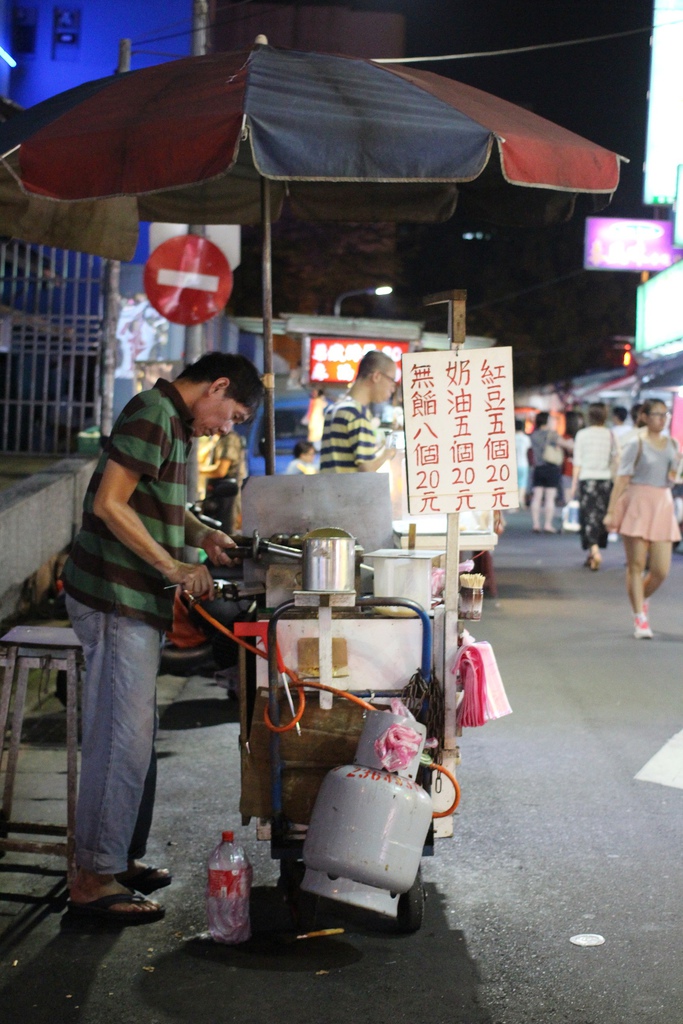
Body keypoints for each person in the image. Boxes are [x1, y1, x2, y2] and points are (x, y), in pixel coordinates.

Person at [62, 352, 264, 922]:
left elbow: (161, 508)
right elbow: (109, 503)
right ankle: (92, 880)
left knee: (133, 737)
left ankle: (115, 859)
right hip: (111, 594)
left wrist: (205, 534)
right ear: (217, 386)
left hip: (132, 599)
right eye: (233, 414)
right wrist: (175, 568)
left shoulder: (173, 424)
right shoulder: (153, 413)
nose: (226, 427)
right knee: (119, 737)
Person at [603, 398, 681, 639]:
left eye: (665, 414)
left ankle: (642, 597)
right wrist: (611, 510)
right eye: (657, 414)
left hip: (662, 504)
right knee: (636, 565)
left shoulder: (672, 444)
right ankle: (640, 617)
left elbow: (672, 476)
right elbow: (622, 479)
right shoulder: (635, 443)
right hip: (637, 502)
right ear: (644, 417)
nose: (662, 418)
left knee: (660, 570)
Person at [320, 350, 398, 473]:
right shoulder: (358, 414)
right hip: (349, 491)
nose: (393, 389)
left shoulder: (334, 409)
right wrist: (388, 453)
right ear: (376, 376)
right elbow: (367, 469)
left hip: (330, 489)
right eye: (391, 380)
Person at [569, 403, 614, 570]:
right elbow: (616, 458)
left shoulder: (582, 434)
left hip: (587, 480)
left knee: (588, 516)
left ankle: (594, 551)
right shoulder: (610, 434)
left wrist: (573, 485)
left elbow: (578, 461)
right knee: (601, 517)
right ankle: (591, 553)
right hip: (606, 481)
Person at [529, 412, 570, 533]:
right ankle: (547, 524)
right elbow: (566, 444)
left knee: (536, 496)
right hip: (551, 468)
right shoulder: (552, 434)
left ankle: (536, 524)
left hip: (538, 468)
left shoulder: (533, 435)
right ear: (547, 421)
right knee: (549, 498)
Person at [199, 429, 247, 532]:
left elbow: (221, 471)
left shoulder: (229, 439)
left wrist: (197, 470)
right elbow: (201, 458)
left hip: (227, 496)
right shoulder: (216, 438)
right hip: (215, 497)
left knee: (225, 533)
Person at [514, 419, 532, 508]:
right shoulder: (526, 438)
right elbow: (528, 450)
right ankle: (521, 500)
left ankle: (515, 502)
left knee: (514, 483)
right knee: (523, 482)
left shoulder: (511, 437)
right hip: (524, 463)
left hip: (513, 464)